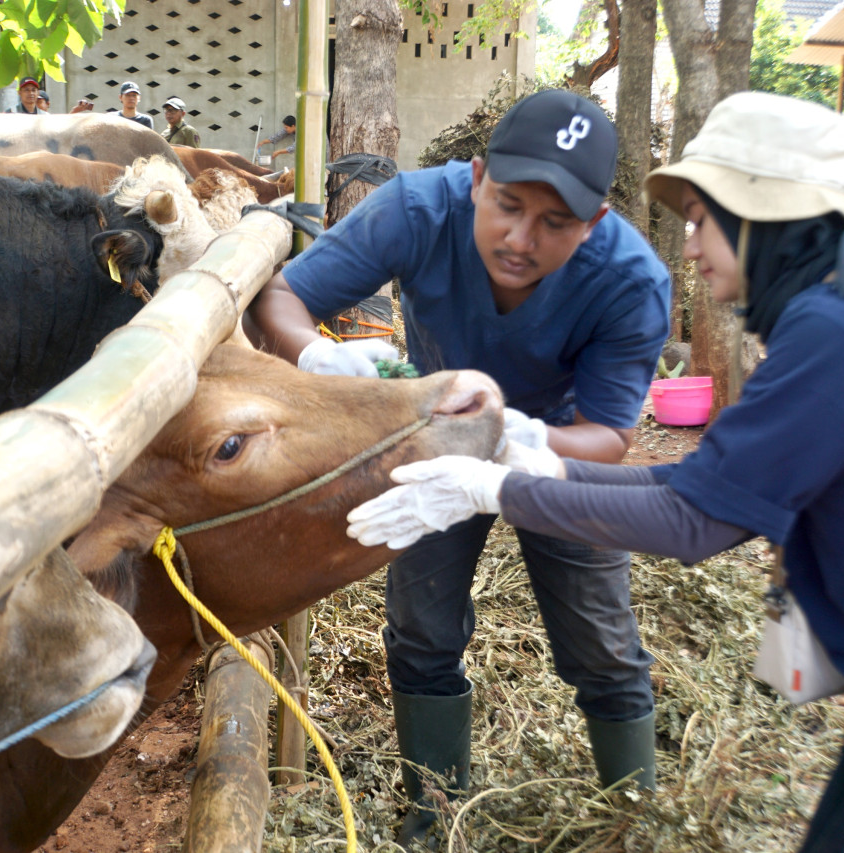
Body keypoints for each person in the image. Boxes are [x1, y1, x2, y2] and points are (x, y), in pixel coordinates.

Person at [347, 91, 844, 852]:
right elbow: (697, 486)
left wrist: (496, 486)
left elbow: (695, 522)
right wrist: (527, 453)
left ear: (759, 216)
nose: (687, 247)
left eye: (701, 219)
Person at [246, 89, 672, 844]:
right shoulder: (416, 208)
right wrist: (318, 353)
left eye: (556, 223)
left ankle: (631, 816)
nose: (521, 237)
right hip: (435, 441)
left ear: (596, 223)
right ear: (475, 176)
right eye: (506, 204)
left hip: (549, 449)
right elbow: (284, 294)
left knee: (600, 642)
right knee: (420, 627)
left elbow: (607, 436)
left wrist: (506, 439)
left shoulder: (628, 280)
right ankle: (433, 812)